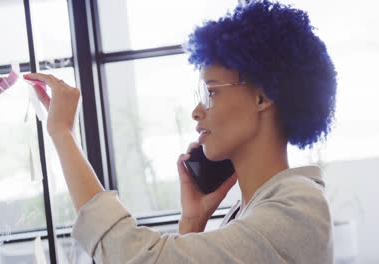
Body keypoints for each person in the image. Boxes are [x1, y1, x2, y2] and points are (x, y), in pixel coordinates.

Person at [23, 0, 336, 262]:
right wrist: (193, 220)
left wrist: (63, 134)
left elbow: (138, 257)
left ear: (262, 95)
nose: (196, 112)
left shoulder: (296, 208)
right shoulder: (250, 210)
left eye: (211, 92)